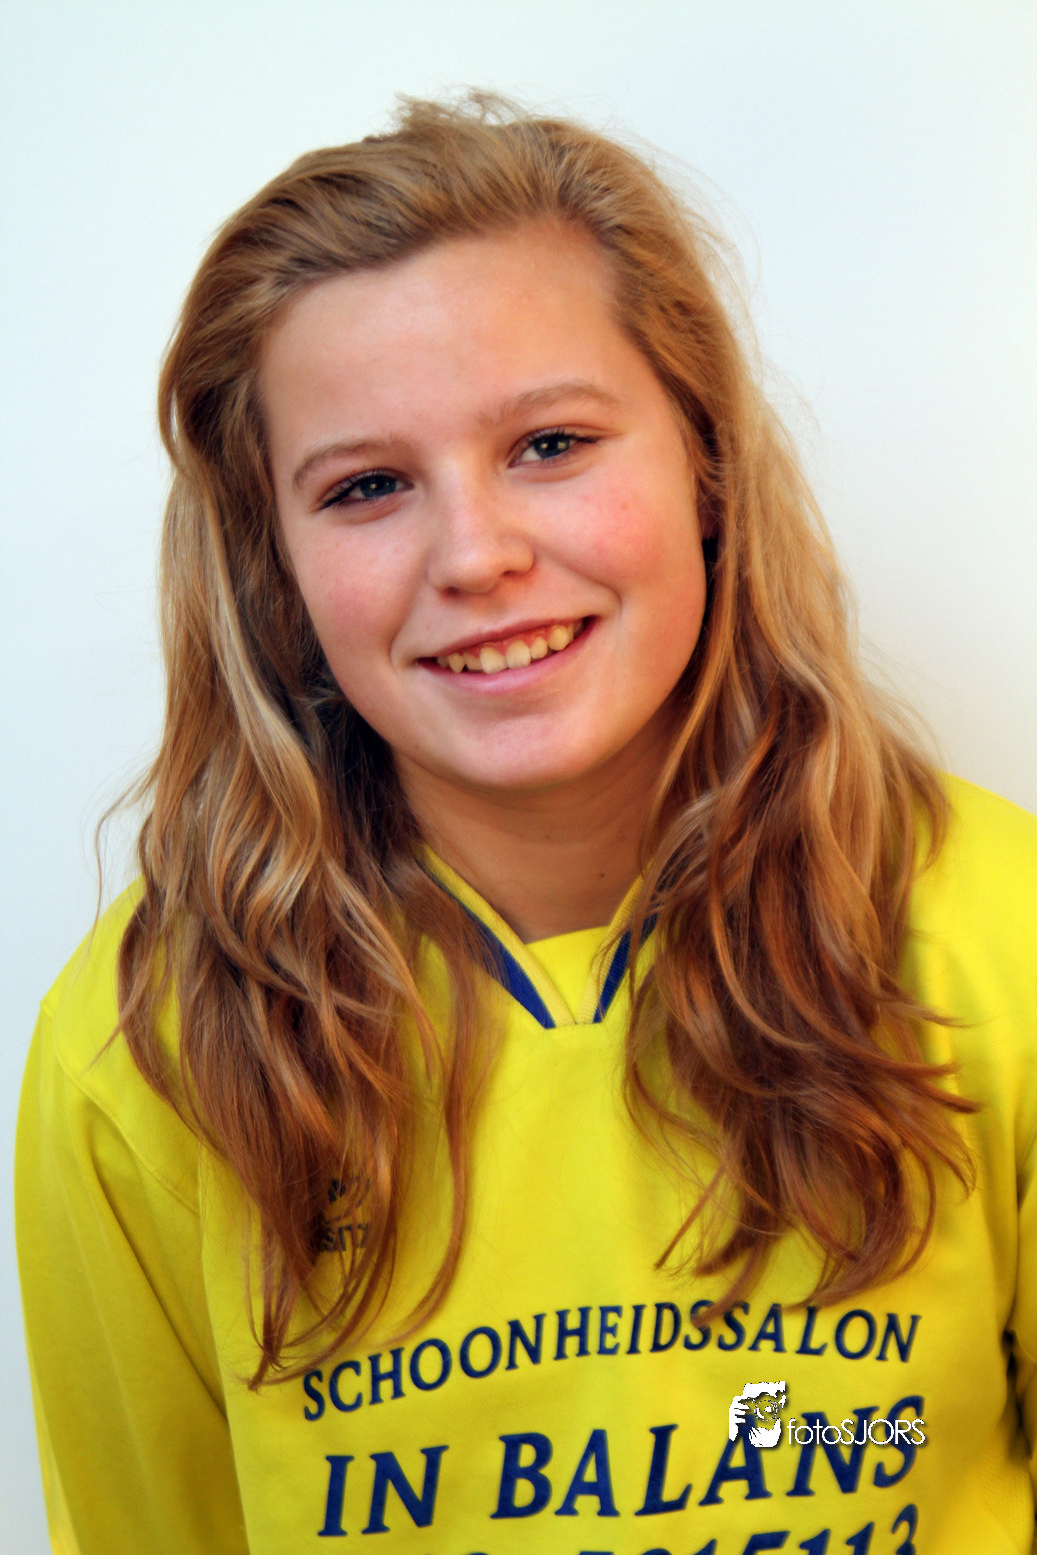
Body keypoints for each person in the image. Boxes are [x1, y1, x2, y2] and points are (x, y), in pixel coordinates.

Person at [15, 93, 1037, 1555]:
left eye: (550, 443)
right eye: (368, 486)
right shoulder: (142, 1055)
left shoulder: (1002, 930)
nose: (477, 554)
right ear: (272, 566)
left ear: (705, 465)